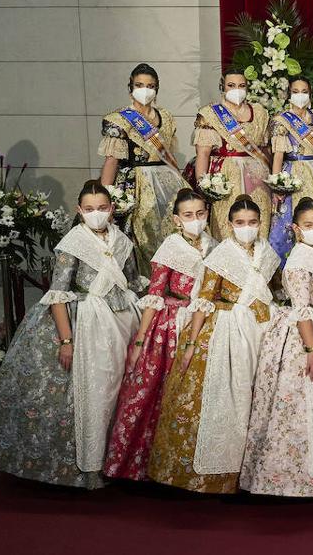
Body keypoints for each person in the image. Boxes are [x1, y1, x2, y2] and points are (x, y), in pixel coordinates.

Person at [0, 180, 141, 488]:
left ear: (112, 209)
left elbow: (133, 281)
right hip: (88, 322)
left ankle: (120, 457)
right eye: (90, 209)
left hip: (123, 318)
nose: (97, 214)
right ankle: (90, 464)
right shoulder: (72, 244)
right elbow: (58, 294)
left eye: (102, 208)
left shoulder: (123, 241)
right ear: (79, 212)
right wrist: (66, 341)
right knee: (95, 389)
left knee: (125, 387)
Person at [148, 195, 279, 493]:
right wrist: (192, 342)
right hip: (226, 332)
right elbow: (204, 299)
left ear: (260, 224)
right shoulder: (220, 256)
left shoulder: (268, 253)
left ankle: (253, 472)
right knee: (223, 398)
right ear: (230, 224)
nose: (246, 227)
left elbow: (273, 289)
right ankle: (216, 475)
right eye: (240, 223)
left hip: (260, 327)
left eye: (252, 222)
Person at [241, 198, 313, 497]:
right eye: (308, 226)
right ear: (296, 228)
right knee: (307, 400)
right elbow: (302, 308)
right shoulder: (300, 259)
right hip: (309, 333)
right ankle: (298, 478)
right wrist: (312, 349)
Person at [104, 188, 214, 482]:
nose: (195, 220)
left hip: (205, 321)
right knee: (157, 391)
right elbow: (154, 295)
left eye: (200, 214)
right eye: (188, 215)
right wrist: (140, 341)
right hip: (171, 324)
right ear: (177, 219)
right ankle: (143, 464)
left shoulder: (213, 245)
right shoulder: (170, 248)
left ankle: (189, 464)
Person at [98, 63, 188, 273]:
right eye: (139, 85)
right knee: (142, 235)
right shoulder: (119, 119)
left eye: (150, 85)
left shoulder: (165, 116)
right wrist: (103, 199)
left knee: (172, 232)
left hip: (166, 183)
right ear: (130, 87)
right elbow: (111, 161)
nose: (145, 90)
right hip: (134, 182)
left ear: (157, 88)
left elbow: (169, 154)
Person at [192, 67, 273, 242]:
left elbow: (266, 149)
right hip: (225, 177)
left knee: (259, 223)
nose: (236, 89)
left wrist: (273, 178)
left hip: (257, 178)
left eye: (241, 85)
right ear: (223, 87)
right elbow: (203, 154)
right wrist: (203, 186)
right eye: (231, 85)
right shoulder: (211, 114)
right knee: (226, 224)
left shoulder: (259, 112)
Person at [267, 75, 313, 260]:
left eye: (304, 92)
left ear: (310, 94)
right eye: (295, 92)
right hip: (293, 172)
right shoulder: (281, 120)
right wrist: (277, 185)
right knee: (290, 218)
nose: (300, 95)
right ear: (289, 94)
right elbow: (278, 155)